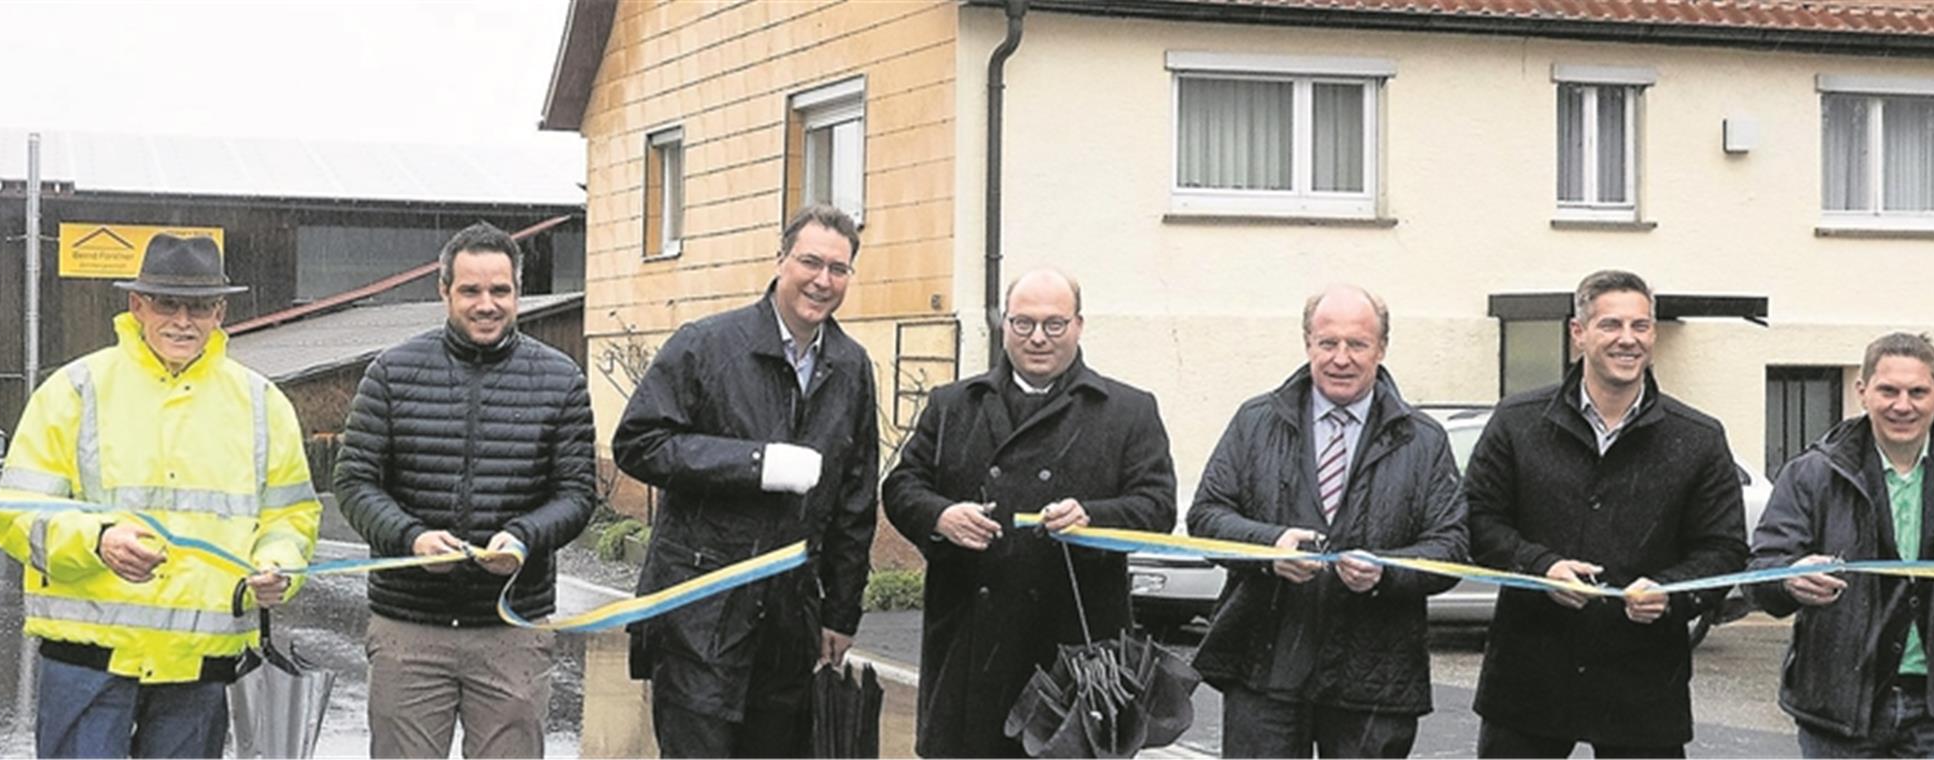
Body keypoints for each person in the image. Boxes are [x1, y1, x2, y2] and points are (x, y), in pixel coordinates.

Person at [0, 234, 320, 758]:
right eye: (167, 303)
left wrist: (279, 562)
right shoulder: (75, 390)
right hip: (89, 662)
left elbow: (292, 515)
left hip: (200, 671)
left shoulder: (262, 404)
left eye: (199, 306)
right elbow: (16, 516)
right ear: (137, 306)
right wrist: (97, 540)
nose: (183, 321)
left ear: (220, 312)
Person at [613, 204, 882, 758]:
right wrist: (755, 464)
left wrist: (841, 611)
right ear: (780, 260)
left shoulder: (851, 367)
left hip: (790, 622)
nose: (822, 280)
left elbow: (856, 499)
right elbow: (638, 443)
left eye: (838, 268)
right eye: (810, 262)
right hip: (701, 614)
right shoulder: (707, 346)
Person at [881, 268, 1180, 757]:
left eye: (1054, 324)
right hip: (969, 649)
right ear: (1005, 326)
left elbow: (1157, 505)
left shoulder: (1128, 410)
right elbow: (901, 486)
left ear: (1079, 326)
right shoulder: (954, 404)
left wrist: (1094, 518)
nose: (1038, 337)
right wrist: (940, 516)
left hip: (1075, 659)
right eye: (1023, 323)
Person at [336, 222, 600, 758]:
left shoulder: (561, 379)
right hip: (408, 628)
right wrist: (410, 539)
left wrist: (524, 538)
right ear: (444, 292)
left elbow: (576, 494)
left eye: (499, 291)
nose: (486, 304)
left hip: (511, 628)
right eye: (470, 291)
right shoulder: (392, 373)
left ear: (517, 293)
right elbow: (354, 482)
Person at [1463, 269, 1747, 758]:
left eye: (1640, 326)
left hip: (1643, 683)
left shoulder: (1698, 437)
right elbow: (1476, 521)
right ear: (1579, 334)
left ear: (1654, 335)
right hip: (1530, 677)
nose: (1627, 340)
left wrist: (1671, 593)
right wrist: (1539, 567)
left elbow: (1724, 550)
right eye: (1611, 325)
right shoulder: (1517, 421)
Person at [1186, 285, 1467, 758]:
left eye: (1357, 344)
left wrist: (1385, 571)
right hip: (1266, 667)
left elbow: (1452, 546)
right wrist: (1269, 547)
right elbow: (1207, 516)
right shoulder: (1256, 421)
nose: (1341, 358)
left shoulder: (1423, 440)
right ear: (1307, 343)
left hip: (1374, 677)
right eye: (1327, 343)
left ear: (1381, 349)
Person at [1747, 332, 1934, 758]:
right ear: (1862, 392)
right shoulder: (1811, 473)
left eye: (1917, 392)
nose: (1902, 405)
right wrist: (1789, 580)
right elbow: (1762, 574)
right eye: (1888, 390)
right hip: (1839, 711)